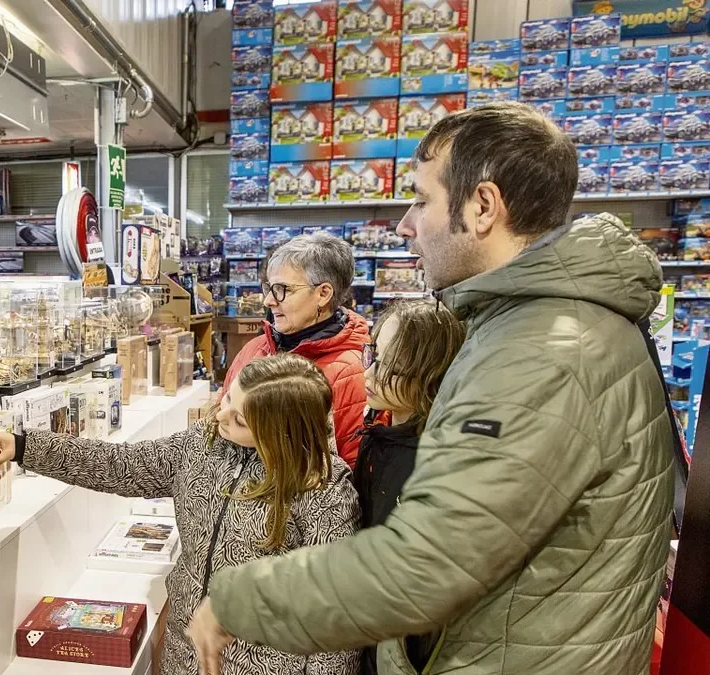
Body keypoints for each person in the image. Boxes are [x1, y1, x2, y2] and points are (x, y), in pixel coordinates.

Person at [187, 102, 675, 675]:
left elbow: (426, 563)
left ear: (483, 206)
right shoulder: (532, 325)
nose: (404, 224)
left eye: (422, 199)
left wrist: (240, 600)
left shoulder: (542, 351)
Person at [0, 353, 360, 675]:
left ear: (281, 432)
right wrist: (25, 447)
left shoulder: (324, 491)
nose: (220, 416)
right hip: (185, 652)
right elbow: (121, 466)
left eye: (241, 419)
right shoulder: (202, 443)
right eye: (227, 399)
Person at [355, 299, 465, 675]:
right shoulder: (383, 436)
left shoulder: (437, 467)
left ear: (429, 374)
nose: (368, 373)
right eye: (372, 354)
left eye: (385, 363)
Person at [222, 232, 369, 468]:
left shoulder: (351, 373)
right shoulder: (254, 349)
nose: (268, 300)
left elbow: (350, 471)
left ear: (323, 294)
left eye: (282, 289)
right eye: (269, 288)